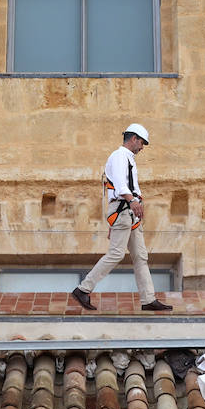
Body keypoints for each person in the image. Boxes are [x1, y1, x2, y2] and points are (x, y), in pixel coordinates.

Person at [71, 123, 173, 313]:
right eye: (142, 142)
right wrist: (132, 201)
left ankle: (148, 299)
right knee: (116, 253)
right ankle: (83, 289)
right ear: (134, 139)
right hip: (124, 209)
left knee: (141, 256)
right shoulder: (119, 156)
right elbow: (120, 184)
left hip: (127, 213)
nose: (142, 147)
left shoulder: (127, 158)